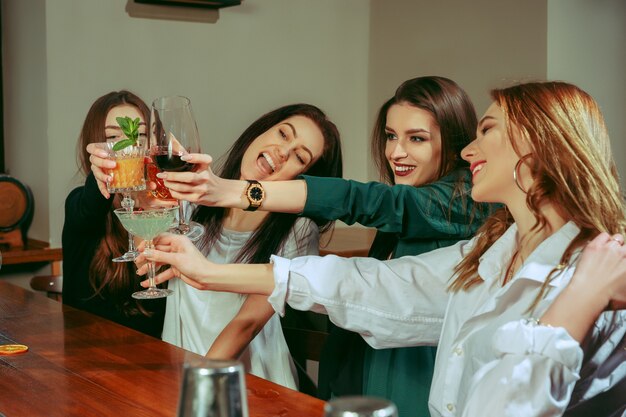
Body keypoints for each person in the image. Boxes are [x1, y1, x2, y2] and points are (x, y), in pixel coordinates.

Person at [138, 81, 626, 417]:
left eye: (486, 131)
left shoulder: (601, 272)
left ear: (535, 146)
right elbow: (368, 283)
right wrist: (203, 272)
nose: (467, 152)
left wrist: (578, 301)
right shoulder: (492, 249)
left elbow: (509, 406)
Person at [155, 76, 495, 413]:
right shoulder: (407, 216)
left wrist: (238, 192)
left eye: (417, 138)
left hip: (412, 394)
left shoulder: (461, 202)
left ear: (453, 144)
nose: (396, 152)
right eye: (391, 136)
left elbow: (366, 206)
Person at [159, 103, 342, 389]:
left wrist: (198, 388)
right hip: (176, 376)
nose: (283, 152)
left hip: (248, 387)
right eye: (283, 134)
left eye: (299, 157)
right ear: (260, 131)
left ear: (301, 182)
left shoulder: (298, 231)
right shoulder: (192, 206)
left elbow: (247, 324)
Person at [63, 90, 174, 338]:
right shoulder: (79, 203)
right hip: (87, 358)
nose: (129, 146)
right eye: (113, 137)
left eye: (141, 135)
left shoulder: (167, 209)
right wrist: (100, 177)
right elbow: (88, 210)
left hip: (155, 358)